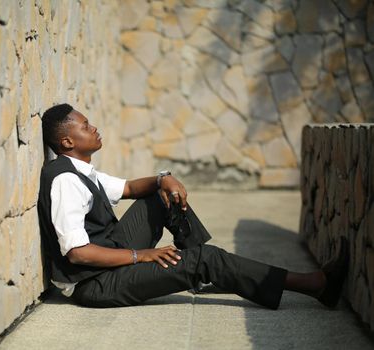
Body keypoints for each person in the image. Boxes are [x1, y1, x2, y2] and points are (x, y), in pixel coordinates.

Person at [37, 103, 348, 309]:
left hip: (107, 255)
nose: (93, 128)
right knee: (205, 259)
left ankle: (207, 272)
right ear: (67, 142)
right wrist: (141, 255)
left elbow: (130, 188)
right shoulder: (65, 181)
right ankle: (316, 285)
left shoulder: (79, 170)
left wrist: (163, 179)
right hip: (94, 283)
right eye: (85, 125)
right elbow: (77, 253)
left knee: (161, 197)